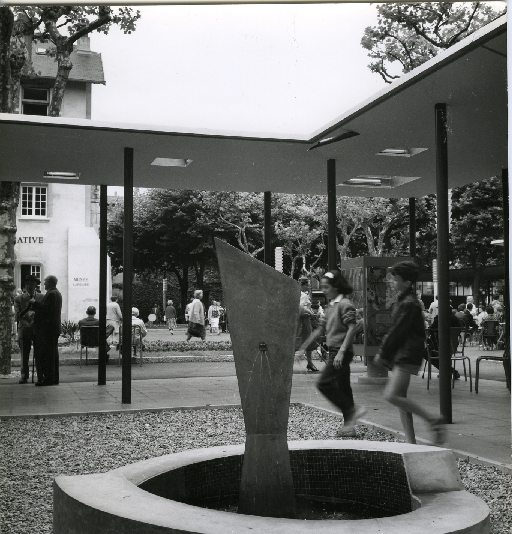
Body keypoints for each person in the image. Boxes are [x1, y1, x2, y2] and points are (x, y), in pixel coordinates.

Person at [374, 261, 445, 445]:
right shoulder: (406, 300)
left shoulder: (409, 303)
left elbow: (398, 331)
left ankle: (432, 419)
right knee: (401, 400)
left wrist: (382, 352)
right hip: (403, 354)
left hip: (406, 355)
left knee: (391, 395)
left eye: (395, 279)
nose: (392, 282)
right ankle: (411, 442)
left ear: (406, 282)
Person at [300, 270, 366, 437]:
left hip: (340, 351)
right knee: (344, 388)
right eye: (322, 287)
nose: (324, 290)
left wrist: (341, 352)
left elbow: (352, 328)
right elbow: (320, 329)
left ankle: (352, 411)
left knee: (323, 383)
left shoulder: (345, 304)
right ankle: (349, 427)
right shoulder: (331, 306)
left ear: (336, 286)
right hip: (336, 351)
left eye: (326, 287)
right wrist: (304, 347)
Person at [30, 275, 62, 386]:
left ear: (50, 283)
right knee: (52, 355)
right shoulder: (56, 293)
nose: (44, 284)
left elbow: (47, 309)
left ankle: (49, 378)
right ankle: (53, 378)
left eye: (45, 282)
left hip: (49, 329)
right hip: (52, 328)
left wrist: (35, 302)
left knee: (48, 355)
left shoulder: (52, 294)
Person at [14, 275, 44, 383]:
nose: (29, 286)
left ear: (36, 285)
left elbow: (44, 313)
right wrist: (27, 308)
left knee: (39, 354)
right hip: (24, 328)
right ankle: (24, 376)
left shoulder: (41, 297)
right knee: (24, 355)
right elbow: (17, 316)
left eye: (32, 284)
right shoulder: (19, 298)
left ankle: (41, 376)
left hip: (37, 329)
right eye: (27, 284)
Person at [296, 278, 318, 372]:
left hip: (301, 322)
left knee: (304, 341)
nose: (308, 287)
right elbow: (301, 309)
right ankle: (309, 362)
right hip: (303, 322)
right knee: (307, 341)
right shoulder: (303, 296)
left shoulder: (299, 295)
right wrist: (311, 314)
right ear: (301, 285)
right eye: (306, 285)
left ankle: (310, 362)